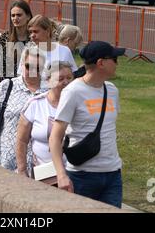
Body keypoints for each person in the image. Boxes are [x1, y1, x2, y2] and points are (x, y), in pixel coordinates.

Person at [49, 41, 126, 208]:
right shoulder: (73, 92)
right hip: (82, 177)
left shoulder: (112, 91)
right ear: (101, 63)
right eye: (114, 58)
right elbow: (55, 137)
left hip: (112, 175)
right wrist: (61, 175)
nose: (117, 63)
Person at [0, 47, 46, 171]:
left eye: (37, 68)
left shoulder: (49, 91)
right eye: (29, 66)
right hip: (7, 159)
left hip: (39, 163)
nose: (32, 71)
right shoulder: (7, 86)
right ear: (22, 65)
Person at [16, 61, 74, 177]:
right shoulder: (35, 104)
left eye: (69, 78)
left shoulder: (78, 104)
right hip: (43, 174)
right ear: (48, 81)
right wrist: (22, 170)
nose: (66, 82)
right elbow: (21, 140)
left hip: (75, 172)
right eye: (60, 78)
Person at [18, 15, 78, 83]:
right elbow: (21, 78)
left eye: (36, 31)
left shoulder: (64, 51)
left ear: (48, 31)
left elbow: (73, 76)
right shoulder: (27, 53)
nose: (32, 35)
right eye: (30, 32)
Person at [0, 0, 32, 83]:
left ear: (28, 16)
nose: (15, 18)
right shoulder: (2, 39)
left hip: (31, 85)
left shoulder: (35, 38)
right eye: (13, 15)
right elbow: (1, 72)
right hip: (11, 86)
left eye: (19, 15)